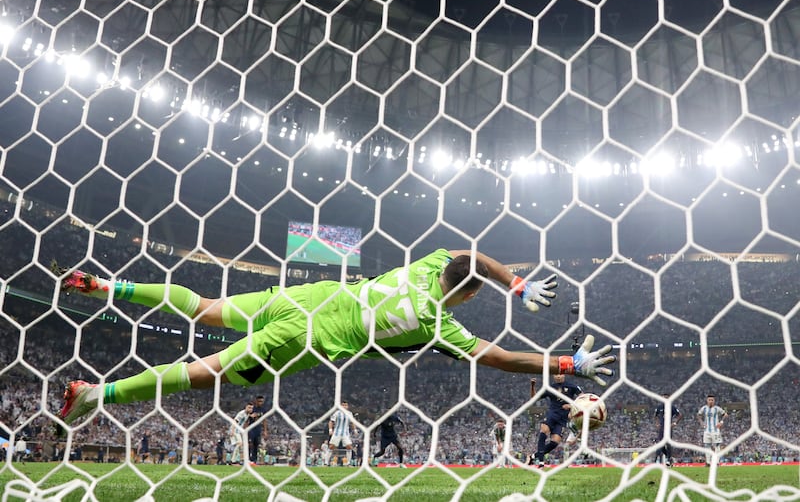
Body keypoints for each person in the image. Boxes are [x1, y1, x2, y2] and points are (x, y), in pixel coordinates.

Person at [52, 249, 616, 427]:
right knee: (208, 373)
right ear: (465, 296)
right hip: (305, 338)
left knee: (203, 308)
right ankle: (94, 396)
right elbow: (500, 359)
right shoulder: (436, 321)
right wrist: (569, 364)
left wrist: (515, 283)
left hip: (307, 294)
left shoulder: (427, 266)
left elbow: (471, 257)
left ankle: (107, 285)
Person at [531, 374, 582, 467]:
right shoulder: (550, 388)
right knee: (544, 431)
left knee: (555, 442)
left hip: (563, 419)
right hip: (552, 415)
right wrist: (533, 386)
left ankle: (534, 456)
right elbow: (534, 398)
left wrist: (571, 406)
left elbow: (583, 399)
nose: (558, 376)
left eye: (560, 374)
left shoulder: (572, 386)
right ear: (554, 376)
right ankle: (541, 463)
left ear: (564, 375)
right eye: (556, 374)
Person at [697, 394, 727, 466]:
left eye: (712, 400)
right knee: (707, 446)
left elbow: (725, 414)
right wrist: (701, 422)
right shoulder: (704, 408)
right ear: (707, 400)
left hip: (716, 431)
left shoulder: (717, 408)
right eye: (709, 400)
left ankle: (717, 462)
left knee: (717, 446)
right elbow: (698, 415)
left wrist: (721, 422)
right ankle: (708, 462)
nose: (711, 401)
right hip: (706, 430)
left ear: (714, 401)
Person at [653, 393, 682, 466]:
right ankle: (669, 457)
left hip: (668, 428)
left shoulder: (672, 407)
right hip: (662, 428)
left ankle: (668, 459)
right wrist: (657, 423)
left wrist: (674, 423)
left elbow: (679, 415)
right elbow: (655, 415)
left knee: (668, 443)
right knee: (660, 444)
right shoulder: (659, 407)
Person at [328, 401, 356, 466]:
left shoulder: (349, 413)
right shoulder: (337, 413)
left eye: (346, 405)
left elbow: (352, 422)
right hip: (337, 432)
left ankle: (348, 463)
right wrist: (330, 429)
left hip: (345, 433)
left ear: (347, 406)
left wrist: (355, 430)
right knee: (331, 446)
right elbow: (331, 421)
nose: (344, 406)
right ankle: (326, 463)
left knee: (349, 446)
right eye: (343, 405)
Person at [247, 395, 268, 464]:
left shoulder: (263, 410)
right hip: (250, 428)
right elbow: (246, 417)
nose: (260, 403)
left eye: (261, 401)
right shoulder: (252, 408)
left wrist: (265, 431)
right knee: (250, 443)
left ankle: (254, 460)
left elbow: (264, 420)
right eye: (259, 401)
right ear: (256, 401)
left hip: (258, 428)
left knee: (256, 444)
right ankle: (248, 459)